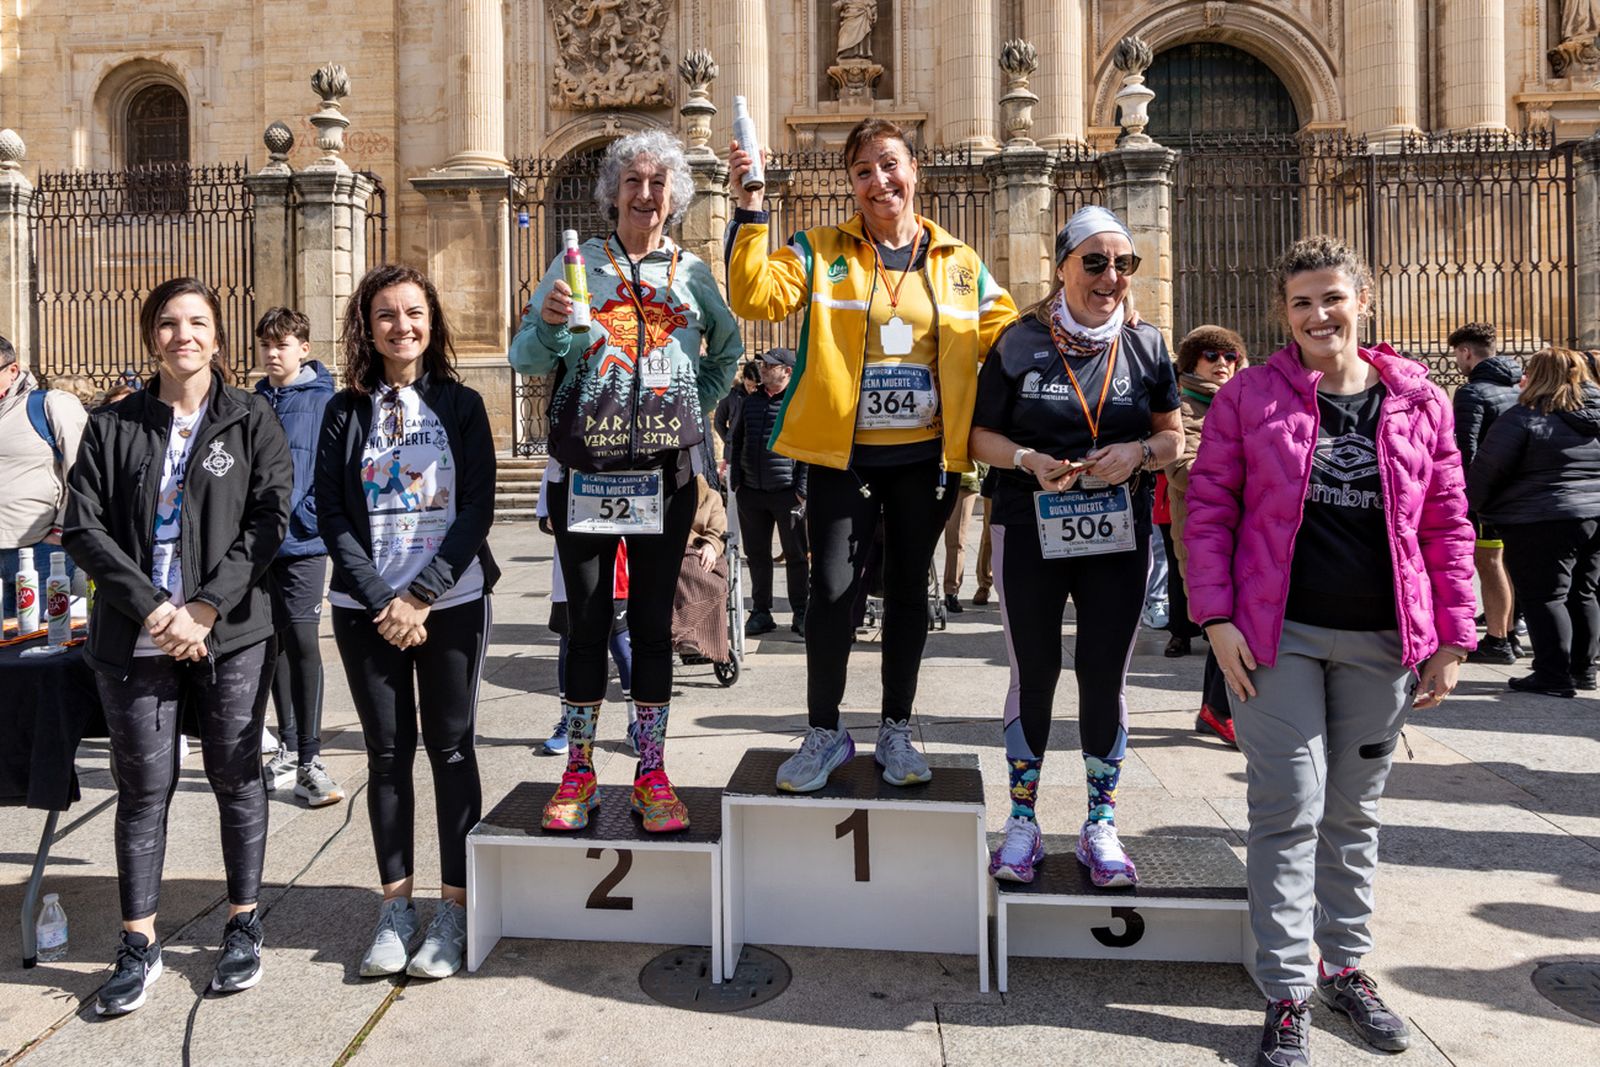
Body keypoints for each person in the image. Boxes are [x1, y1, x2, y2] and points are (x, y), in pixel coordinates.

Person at [1184, 236, 1475, 1067]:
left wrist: (1454, 635)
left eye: (1333, 297)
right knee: (1289, 805)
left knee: (1353, 811)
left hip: (1384, 640)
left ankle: (1344, 965)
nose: (1319, 315)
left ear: (1363, 300)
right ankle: (1286, 992)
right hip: (1278, 636)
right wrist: (1216, 618)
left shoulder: (1418, 400)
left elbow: (1447, 522)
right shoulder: (1249, 396)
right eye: (1302, 302)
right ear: (1284, 314)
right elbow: (1210, 510)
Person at [727, 116, 1018, 791]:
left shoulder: (958, 261)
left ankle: (896, 729)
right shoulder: (820, 248)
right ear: (851, 184)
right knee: (831, 592)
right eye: (863, 170)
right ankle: (824, 731)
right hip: (844, 458)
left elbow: (1010, 335)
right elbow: (753, 295)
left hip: (926, 459)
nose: (879, 180)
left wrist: (1087, 321)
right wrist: (750, 202)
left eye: (890, 164)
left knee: (910, 592)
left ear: (915, 170)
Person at [63, 277, 293, 1015]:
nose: (183, 335)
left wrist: (204, 606)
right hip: (136, 634)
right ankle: (139, 941)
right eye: (168, 323)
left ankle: (243, 921)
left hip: (231, 631)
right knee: (142, 790)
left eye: (197, 322)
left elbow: (269, 520)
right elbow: (83, 527)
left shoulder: (251, 417)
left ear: (218, 336)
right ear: (150, 336)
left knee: (236, 774)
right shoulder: (113, 424)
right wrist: (156, 608)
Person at [510, 129, 742, 832]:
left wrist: (690, 409)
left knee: (649, 625)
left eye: (658, 183)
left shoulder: (693, 273)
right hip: (586, 470)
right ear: (612, 193)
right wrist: (551, 327)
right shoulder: (578, 264)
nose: (645, 194)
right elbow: (525, 357)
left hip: (664, 478)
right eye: (633, 182)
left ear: (675, 196)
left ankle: (651, 770)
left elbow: (728, 350)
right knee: (585, 624)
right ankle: (579, 770)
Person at [968, 206, 1182, 889]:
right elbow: (978, 437)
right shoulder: (1018, 341)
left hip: (1117, 532)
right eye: (1094, 262)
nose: (1110, 276)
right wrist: (1027, 459)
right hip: (1028, 524)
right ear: (1062, 266)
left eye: (1124, 263)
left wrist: (1139, 452)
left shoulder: (1146, 344)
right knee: (1033, 672)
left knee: (1103, 673)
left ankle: (1100, 823)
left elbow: (1173, 437)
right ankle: (1022, 821)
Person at [317, 263, 498, 980]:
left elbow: (477, 508)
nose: (403, 326)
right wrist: (380, 599)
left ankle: (455, 908)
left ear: (433, 321)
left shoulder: (462, 404)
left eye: (414, 312)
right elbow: (333, 515)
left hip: (449, 604)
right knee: (386, 756)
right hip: (366, 610)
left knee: (451, 750)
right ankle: (395, 908)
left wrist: (420, 595)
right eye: (387, 314)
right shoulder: (344, 410)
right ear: (367, 327)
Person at [1467, 347, 1600, 697]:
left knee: (1545, 597)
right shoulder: (1594, 416)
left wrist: (1476, 506)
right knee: (1583, 592)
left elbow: (1488, 469)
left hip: (1540, 517)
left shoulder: (1524, 417)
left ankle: (1553, 675)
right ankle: (1583, 670)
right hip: (1594, 515)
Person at [253, 306, 343, 807]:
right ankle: (287, 748)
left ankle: (311, 757)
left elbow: (333, 471)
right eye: (266, 344)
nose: (272, 353)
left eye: (282, 344)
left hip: (304, 543)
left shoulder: (324, 401)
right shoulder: (252, 402)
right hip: (258, 548)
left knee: (305, 642)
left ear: (304, 349)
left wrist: (307, 517)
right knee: (274, 646)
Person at [1164, 324, 1248, 744]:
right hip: (1205, 531)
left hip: (1244, 528)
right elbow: (1181, 469)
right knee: (1224, 617)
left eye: (1230, 356)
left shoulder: (1243, 400)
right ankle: (1218, 709)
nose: (1222, 364)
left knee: (1238, 614)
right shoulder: (1183, 406)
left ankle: (1216, 708)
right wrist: (1247, 467)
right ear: (1192, 361)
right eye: (1211, 355)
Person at [535, 462, 636, 755]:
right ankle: (571, 723)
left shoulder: (619, 457)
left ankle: (637, 723)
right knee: (569, 647)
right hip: (569, 575)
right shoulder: (558, 460)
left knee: (622, 647)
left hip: (614, 573)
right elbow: (544, 517)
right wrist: (554, 521)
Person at [1449, 322, 1522, 665]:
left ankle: (1498, 640)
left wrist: (1468, 499)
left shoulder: (1472, 393)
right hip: (1516, 491)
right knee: (1505, 563)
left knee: (1489, 564)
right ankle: (1508, 632)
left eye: (1457, 354)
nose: (1457, 362)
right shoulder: (1517, 388)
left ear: (1466, 352)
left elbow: (1466, 452)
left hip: (1487, 496)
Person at [1, 333, 88, 620]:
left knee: (41, 637)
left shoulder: (50, 405)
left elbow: (84, 472)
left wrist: (61, 532)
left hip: (39, 550)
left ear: (12, 370)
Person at [731, 347, 808, 636]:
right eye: (763, 364)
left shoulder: (799, 401)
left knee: (796, 555)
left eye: (770, 366)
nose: (763, 369)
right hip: (751, 492)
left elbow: (809, 449)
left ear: (787, 371)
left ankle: (801, 612)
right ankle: (761, 611)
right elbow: (737, 440)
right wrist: (737, 482)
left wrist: (802, 489)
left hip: (788, 493)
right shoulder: (750, 401)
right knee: (757, 555)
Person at [672, 475, 732, 665]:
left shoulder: (712, 497)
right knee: (685, 569)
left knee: (715, 584)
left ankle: (693, 637)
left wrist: (711, 545)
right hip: (675, 550)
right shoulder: (668, 496)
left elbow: (717, 529)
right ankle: (688, 637)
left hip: (703, 550)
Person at [939, 463, 984, 614]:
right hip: (929, 476)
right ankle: (918, 584)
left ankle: (951, 591)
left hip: (964, 479)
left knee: (957, 540)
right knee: (920, 538)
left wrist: (980, 468)